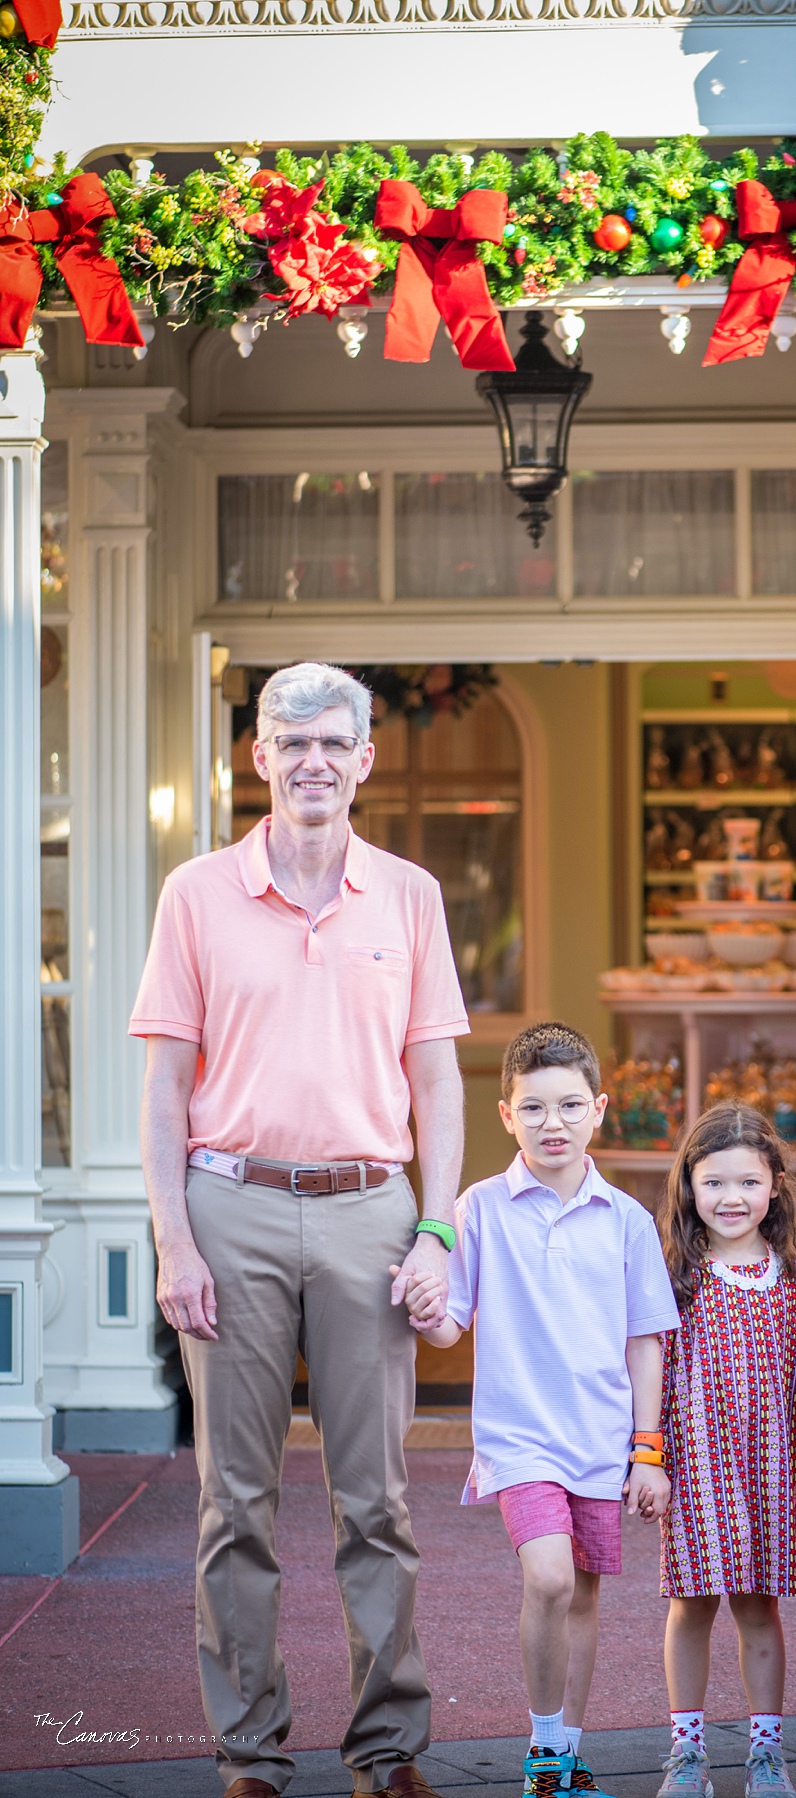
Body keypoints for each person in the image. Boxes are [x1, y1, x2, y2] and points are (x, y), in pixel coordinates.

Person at [130, 662, 470, 1798]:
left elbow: (439, 1080)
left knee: (376, 1497)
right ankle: (250, 1751)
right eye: (292, 741)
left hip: (374, 1206)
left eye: (334, 742)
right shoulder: (196, 893)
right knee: (238, 1498)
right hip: (231, 1206)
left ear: (365, 759)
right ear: (259, 756)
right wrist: (176, 1241)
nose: (313, 759)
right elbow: (164, 1088)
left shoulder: (410, 895)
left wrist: (436, 1228)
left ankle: (388, 1749)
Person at [401, 1022, 680, 1798]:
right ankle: (545, 1749)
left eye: (567, 1107)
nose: (550, 1123)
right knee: (550, 1578)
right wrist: (425, 1306)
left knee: (583, 1592)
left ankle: (565, 1754)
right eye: (532, 1109)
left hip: (601, 1438)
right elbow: (451, 1321)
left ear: (599, 1110)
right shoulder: (481, 1208)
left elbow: (644, 1343)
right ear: (505, 1116)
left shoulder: (626, 1220)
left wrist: (647, 1450)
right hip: (519, 1437)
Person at [653, 1103, 796, 1798]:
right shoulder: (675, 1274)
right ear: (689, 1187)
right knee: (692, 1603)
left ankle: (767, 1754)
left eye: (746, 1183)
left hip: (768, 1471)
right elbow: (649, 1373)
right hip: (697, 1467)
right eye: (713, 1183)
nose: (730, 1198)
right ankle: (687, 1753)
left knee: (758, 1609)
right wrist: (645, 1457)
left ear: (774, 1186)